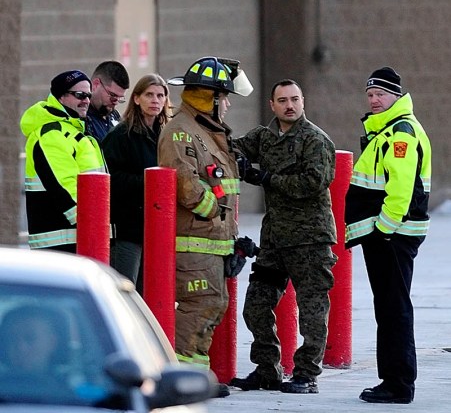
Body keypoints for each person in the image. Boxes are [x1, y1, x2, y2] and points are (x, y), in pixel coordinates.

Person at [231, 79, 337, 395]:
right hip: (275, 239)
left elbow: (312, 183)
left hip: (310, 239)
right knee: (256, 305)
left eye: (294, 99)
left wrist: (266, 178)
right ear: (272, 105)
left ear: (302, 101)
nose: (289, 105)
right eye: (282, 100)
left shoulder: (315, 140)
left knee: (312, 308)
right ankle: (267, 370)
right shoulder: (265, 137)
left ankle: (306, 374)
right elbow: (232, 146)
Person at [158, 56, 253, 397]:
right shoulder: (182, 129)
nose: (227, 104)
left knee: (211, 306)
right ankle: (185, 381)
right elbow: (185, 180)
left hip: (211, 240)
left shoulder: (206, 131)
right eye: (223, 97)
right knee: (198, 308)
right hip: (194, 241)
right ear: (208, 98)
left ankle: (196, 378)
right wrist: (214, 211)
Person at [345, 66, 431, 405]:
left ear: (396, 96)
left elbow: (400, 189)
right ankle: (393, 380)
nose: (374, 100)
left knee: (394, 309)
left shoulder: (400, 133)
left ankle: (398, 384)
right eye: (370, 95)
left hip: (393, 236)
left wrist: (383, 229)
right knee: (390, 307)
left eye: (380, 94)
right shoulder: (387, 131)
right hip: (388, 236)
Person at [101, 73, 171, 292]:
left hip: (158, 226)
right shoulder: (121, 135)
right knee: (126, 289)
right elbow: (111, 178)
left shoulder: (168, 135)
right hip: (128, 228)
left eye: (160, 95)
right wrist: (150, 182)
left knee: (153, 292)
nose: (155, 100)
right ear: (137, 99)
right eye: (149, 95)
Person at [20, 69, 105, 250]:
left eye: (89, 95)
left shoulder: (75, 132)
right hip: (63, 243)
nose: (87, 101)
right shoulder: (52, 134)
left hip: (77, 239)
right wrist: (94, 226)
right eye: (80, 95)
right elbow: (65, 187)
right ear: (61, 97)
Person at [85, 60, 130, 142]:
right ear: (96, 84)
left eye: (119, 98)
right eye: (112, 95)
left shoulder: (115, 116)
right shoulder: (81, 118)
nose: (115, 102)